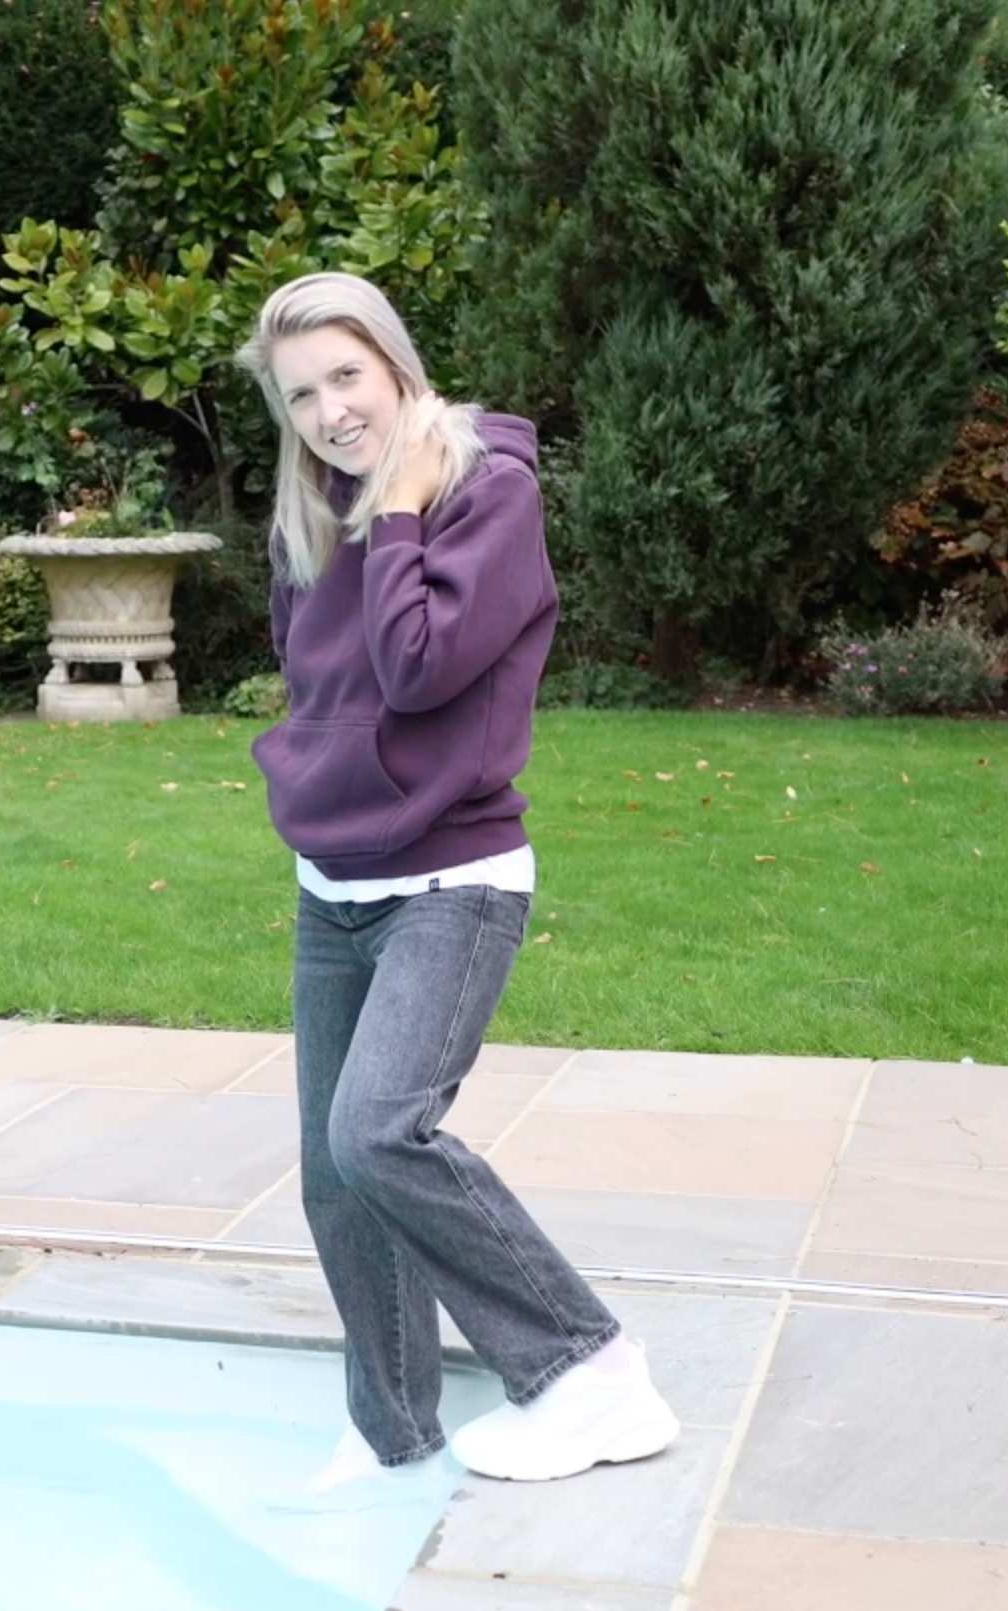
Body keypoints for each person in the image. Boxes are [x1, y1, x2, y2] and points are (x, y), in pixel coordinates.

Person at [236, 271, 676, 1490]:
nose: (328, 411)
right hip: (336, 879)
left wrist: (399, 515)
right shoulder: (311, 510)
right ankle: (391, 1434)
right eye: (300, 394)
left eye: (345, 375)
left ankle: (587, 1371)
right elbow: (320, 682)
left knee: (379, 1132)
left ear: (393, 363)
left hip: (453, 874)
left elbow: (419, 669)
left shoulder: (483, 491)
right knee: (335, 1175)